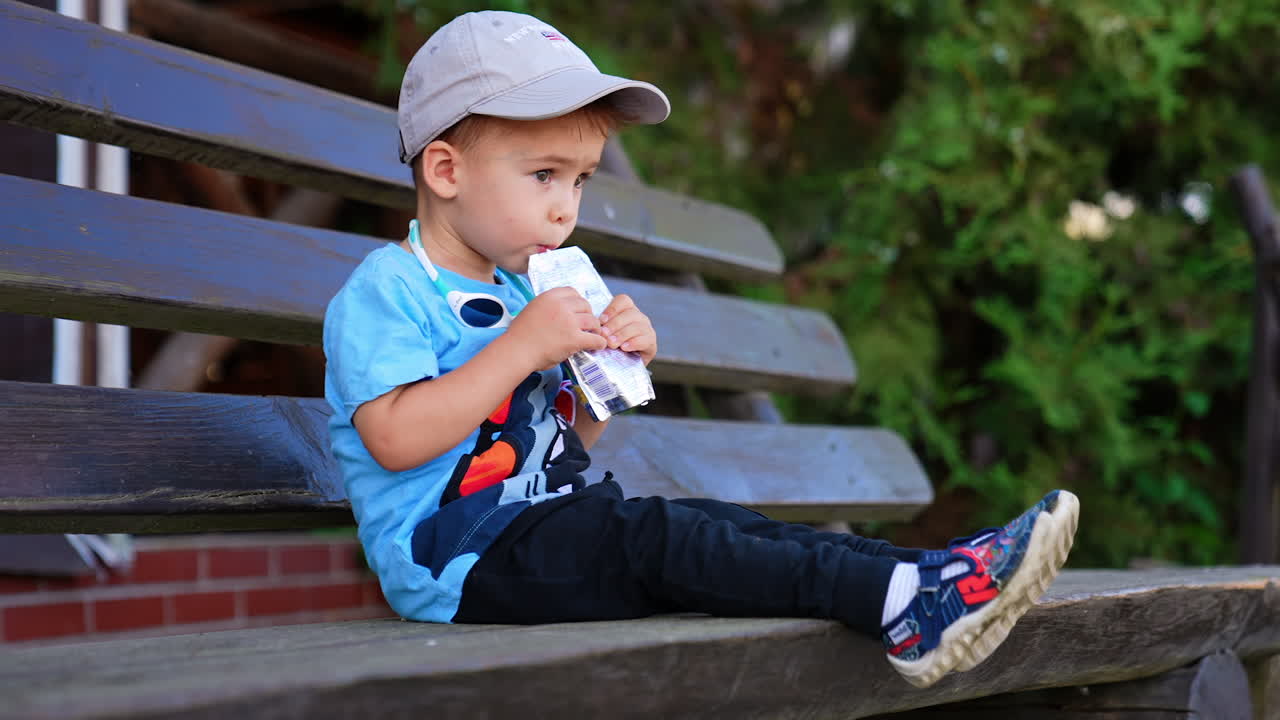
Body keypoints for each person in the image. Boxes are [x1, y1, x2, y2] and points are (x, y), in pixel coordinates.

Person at [322, 10, 1080, 690]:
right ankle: (906, 602)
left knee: (728, 525)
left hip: (547, 526)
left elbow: (562, 446)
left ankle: (935, 578)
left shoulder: (526, 291)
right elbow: (395, 440)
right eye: (544, 175)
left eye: (580, 181)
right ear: (446, 170)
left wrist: (603, 379)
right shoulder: (389, 292)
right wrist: (522, 349)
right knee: (666, 538)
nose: (564, 208)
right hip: (456, 561)